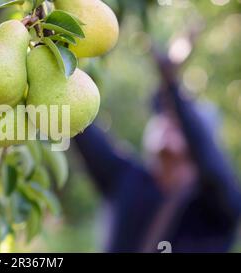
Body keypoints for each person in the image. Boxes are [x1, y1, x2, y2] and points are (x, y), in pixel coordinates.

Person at [74, 54, 241, 253]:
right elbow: (76, 120)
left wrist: (172, 85)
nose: (166, 123)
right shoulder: (127, 179)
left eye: (177, 121)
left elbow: (213, 165)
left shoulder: (213, 208)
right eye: (162, 116)